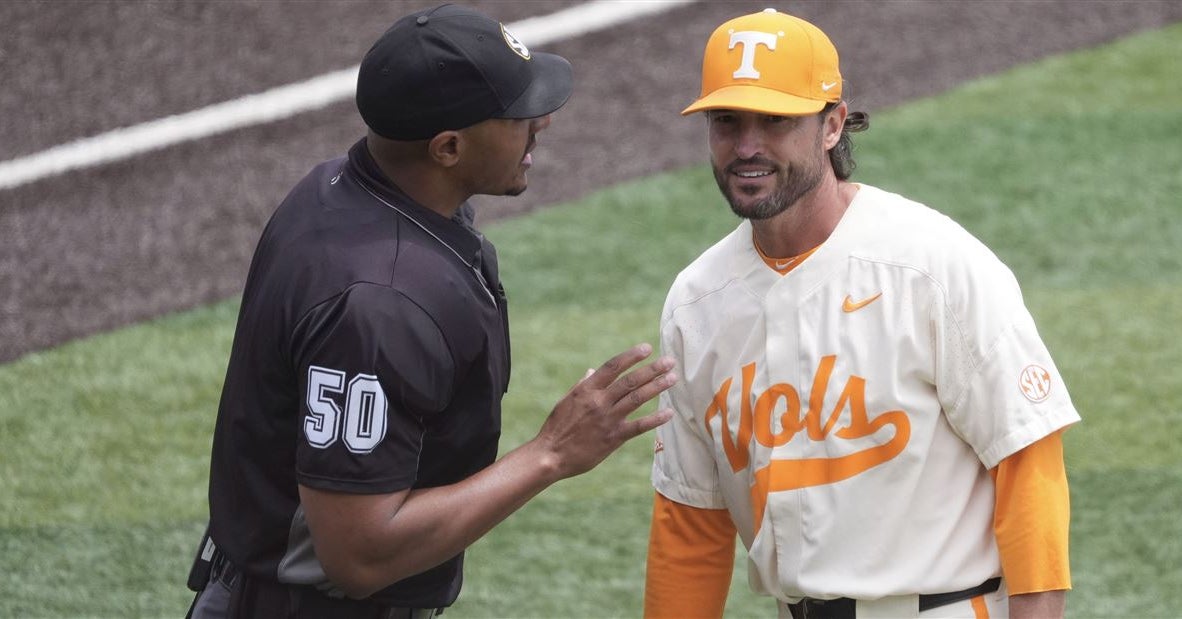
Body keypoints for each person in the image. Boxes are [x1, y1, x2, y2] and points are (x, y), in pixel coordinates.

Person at [184, 4, 677, 618]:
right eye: (516, 114)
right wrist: (551, 452)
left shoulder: (338, 185)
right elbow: (357, 556)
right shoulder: (379, 307)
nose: (542, 122)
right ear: (447, 147)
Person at [644, 8, 1078, 619]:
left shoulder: (931, 265)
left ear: (832, 125)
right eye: (727, 122)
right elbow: (691, 523)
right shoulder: (696, 304)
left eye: (775, 121)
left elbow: (1027, 464)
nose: (747, 147)